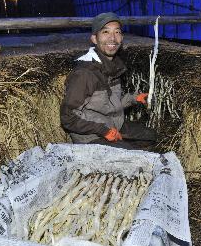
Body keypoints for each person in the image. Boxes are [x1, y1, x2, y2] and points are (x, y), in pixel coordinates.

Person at [60, 12, 157, 150]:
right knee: (136, 155)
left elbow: (108, 104)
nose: (112, 38)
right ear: (94, 38)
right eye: (105, 32)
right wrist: (103, 131)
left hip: (112, 124)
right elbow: (67, 118)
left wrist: (134, 98)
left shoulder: (114, 67)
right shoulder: (85, 73)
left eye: (117, 32)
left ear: (122, 38)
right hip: (91, 136)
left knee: (150, 137)